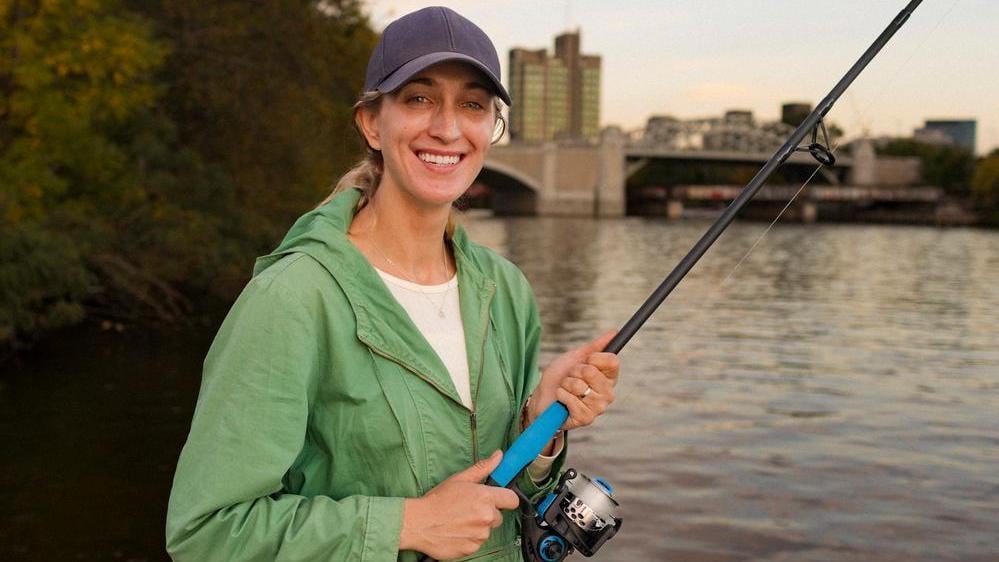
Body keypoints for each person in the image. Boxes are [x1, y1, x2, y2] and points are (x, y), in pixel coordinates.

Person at [166, 6, 620, 561]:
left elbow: (507, 504)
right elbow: (206, 533)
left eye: (472, 104)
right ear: (370, 123)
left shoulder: (507, 291)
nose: (448, 128)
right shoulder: (291, 299)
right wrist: (406, 525)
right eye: (419, 98)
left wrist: (541, 424)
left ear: (492, 129)